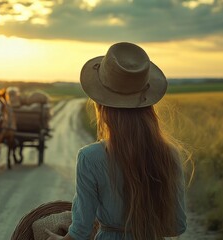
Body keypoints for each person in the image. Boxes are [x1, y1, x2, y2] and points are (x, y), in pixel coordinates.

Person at [46, 42, 188, 240]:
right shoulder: (169, 154)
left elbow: (80, 231)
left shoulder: (90, 157)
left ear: (102, 108)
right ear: (147, 106)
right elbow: (177, 226)